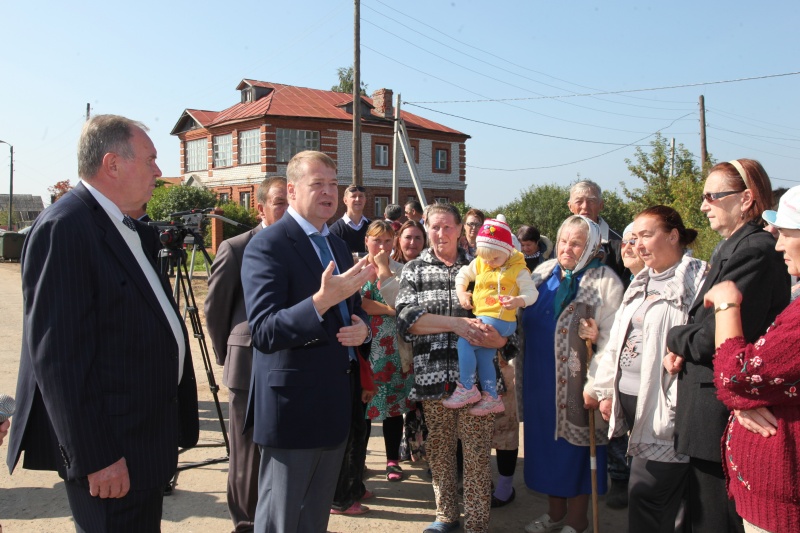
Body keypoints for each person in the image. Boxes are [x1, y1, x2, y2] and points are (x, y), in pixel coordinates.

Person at [6, 114, 199, 532]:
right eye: (150, 159)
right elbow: (59, 360)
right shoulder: (67, 227)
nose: (158, 171)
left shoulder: (128, 227)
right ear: (112, 164)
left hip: (142, 443)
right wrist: (96, 457)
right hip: (112, 453)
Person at [241, 150, 375, 533]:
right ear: (292, 190)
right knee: (281, 520)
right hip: (292, 410)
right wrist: (319, 302)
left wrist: (362, 329)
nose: (329, 192)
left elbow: (353, 308)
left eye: (333, 184)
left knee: (314, 519)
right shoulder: (268, 245)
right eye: (318, 184)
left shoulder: (335, 244)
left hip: (334, 404)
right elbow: (264, 331)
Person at [665, 159, 789, 533]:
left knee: (717, 521)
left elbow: (712, 338)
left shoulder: (754, 250)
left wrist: (675, 337)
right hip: (710, 408)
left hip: (722, 412)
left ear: (746, 198)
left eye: (712, 196)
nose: (704, 206)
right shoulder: (734, 246)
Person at [396, 203, 514, 533]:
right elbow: (407, 320)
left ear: (461, 229)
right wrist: (457, 324)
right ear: (426, 227)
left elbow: (508, 319)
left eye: (448, 226)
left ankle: (477, 523)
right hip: (433, 379)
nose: (441, 233)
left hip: (479, 384)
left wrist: (502, 340)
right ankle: (446, 515)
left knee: (476, 455)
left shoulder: (484, 266)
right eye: (434, 226)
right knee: (440, 450)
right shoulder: (415, 269)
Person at [593, 206, 707, 533]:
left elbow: (709, 335)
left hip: (666, 412)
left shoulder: (697, 278)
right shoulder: (641, 281)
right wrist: (606, 390)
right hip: (633, 407)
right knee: (668, 503)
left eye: (646, 235)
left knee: (647, 498)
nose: (638, 244)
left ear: (673, 236)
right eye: (634, 238)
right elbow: (617, 339)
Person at [702, 186, 800, 532]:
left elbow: (737, 375)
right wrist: (746, 399)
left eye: (786, 233)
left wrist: (727, 305)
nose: (779, 244)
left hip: (784, 510)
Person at [521, 215, 624, 533]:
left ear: (591, 246)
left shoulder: (604, 281)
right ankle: (555, 515)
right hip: (539, 383)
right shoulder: (542, 273)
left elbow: (614, 340)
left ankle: (577, 521)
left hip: (579, 385)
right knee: (546, 451)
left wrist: (598, 386)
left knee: (577, 452)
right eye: (563, 241)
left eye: (576, 243)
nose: (567, 248)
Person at [204, 176, 287, 532]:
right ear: (261, 208)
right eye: (280, 203)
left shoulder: (301, 245)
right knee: (247, 453)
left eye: (291, 202)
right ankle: (246, 523)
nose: (287, 209)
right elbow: (215, 310)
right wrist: (229, 353)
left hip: (290, 366)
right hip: (248, 364)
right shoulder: (236, 247)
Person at [566, 179, 630, 507]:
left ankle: (620, 476)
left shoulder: (618, 243)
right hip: (573, 340)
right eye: (579, 201)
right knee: (577, 405)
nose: (585, 206)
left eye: (591, 200)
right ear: (569, 206)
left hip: (609, 338)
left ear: (601, 206)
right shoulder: (566, 240)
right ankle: (579, 472)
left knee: (608, 404)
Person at [448, 215, 537, 415]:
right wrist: (461, 292)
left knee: (465, 341)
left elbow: (532, 293)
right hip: (486, 316)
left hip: (503, 319)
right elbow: (463, 274)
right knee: (484, 356)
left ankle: (467, 387)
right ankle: (491, 396)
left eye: (494, 259)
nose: (489, 262)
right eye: (485, 258)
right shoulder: (482, 262)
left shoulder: (518, 269)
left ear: (507, 250)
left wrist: (518, 300)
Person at [359, 221, 414, 483]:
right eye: (377, 240)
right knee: (363, 409)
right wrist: (389, 311)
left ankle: (392, 460)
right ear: (366, 241)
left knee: (393, 408)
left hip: (393, 350)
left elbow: (400, 303)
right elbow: (359, 304)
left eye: (388, 241)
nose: (382, 247)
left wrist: (383, 270)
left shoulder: (401, 270)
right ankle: (359, 460)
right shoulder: (356, 269)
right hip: (364, 350)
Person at [330, 185, 370, 254]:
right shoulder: (335, 230)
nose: (357, 199)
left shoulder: (373, 227)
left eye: (361, 196)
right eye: (353, 196)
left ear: (365, 200)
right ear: (345, 200)